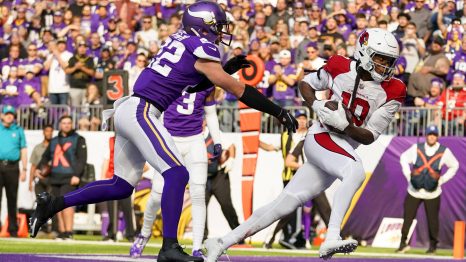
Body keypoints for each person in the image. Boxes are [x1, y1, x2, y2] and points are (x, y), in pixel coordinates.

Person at [29, 2, 297, 262]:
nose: (220, 32)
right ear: (203, 26)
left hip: (130, 109)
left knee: (121, 186)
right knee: (177, 173)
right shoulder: (199, 45)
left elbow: (192, 84)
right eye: (216, 26)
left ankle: (53, 204)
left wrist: (224, 69)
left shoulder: (181, 41)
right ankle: (169, 247)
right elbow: (237, 90)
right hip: (142, 111)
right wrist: (278, 111)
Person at [205, 28, 406, 261]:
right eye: (380, 59)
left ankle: (220, 243)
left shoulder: (395, 90)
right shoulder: (340, 65)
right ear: (363, 52)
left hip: (341, 146)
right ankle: (332, 236)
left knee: (282, 205)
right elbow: (305, 84)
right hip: (321, 136)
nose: (385, 66)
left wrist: (345, 127)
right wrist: (317, 106)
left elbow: (369, 136)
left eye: (388, 61)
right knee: (355, 170)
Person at [130, 83, 223, 258]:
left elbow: (210, 113)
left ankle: (197, 246)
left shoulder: (207, 82)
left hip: (195, 140)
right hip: (169, 138)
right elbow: (154, 111)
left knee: (198, 193)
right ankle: (144, 232)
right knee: (157, 193)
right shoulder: (172, 77)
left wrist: (217, 140)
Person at [396, 125, 459, 254]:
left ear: (437, 137)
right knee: (408, 217)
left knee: (432, 220)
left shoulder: (444, 151)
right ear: (426, 135)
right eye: (430, 134)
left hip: (433, 193)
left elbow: (455, 165)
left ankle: (433, 246)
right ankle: (403, 244)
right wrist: (408, 175)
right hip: (414, 190)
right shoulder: (416, 148)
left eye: (434, 134)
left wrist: (442, 179)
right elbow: (403, 157)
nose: (431, 136)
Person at [36, 116, 87, 240]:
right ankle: (61, 232)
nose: (66, 125)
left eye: (69, 123)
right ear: (60, 125)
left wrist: (77, 175)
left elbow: (82, 159)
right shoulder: (54, 140)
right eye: (64, 123)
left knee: (68, 205)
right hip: (55, 177)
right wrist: (39, 168)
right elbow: (45, 157)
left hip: (70, 177)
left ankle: (69, 232)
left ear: (71, 124)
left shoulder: (79, 139)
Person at [0, 105, 27, 237]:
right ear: (2, 115)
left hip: (12, 167)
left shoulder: (18, 130)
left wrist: (25, 169)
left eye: (11, 114)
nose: (9, 116)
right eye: (7, 114)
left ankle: (12, 229)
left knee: (12, 198)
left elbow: (23, 150)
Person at [65, 40, 95, 106]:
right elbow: (66, 71)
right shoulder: (73, 59)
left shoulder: (90, 59)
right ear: (77, 48)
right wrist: (75, 67)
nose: (82, 49)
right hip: (74, 88)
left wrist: (82, 68)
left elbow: (92, 73)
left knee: (85, 109)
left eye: (84, 47)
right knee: (75, 110)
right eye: (80, 47)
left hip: (86, 88)